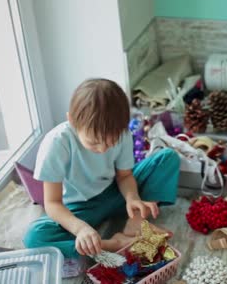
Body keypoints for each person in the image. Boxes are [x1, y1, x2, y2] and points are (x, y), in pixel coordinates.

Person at [23, 78, 180, 258]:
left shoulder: (122, 134)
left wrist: (132, 198)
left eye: (111, 142)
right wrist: (80, 229)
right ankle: (111, 244)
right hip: (78, 207)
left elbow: (125, 176)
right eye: (94, 142)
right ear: (72, 121)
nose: (103, 149)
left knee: (167, 158)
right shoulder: (57, 143)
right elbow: (52, 203)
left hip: (114, 192)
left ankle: (136, 221)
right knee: (35, 237)